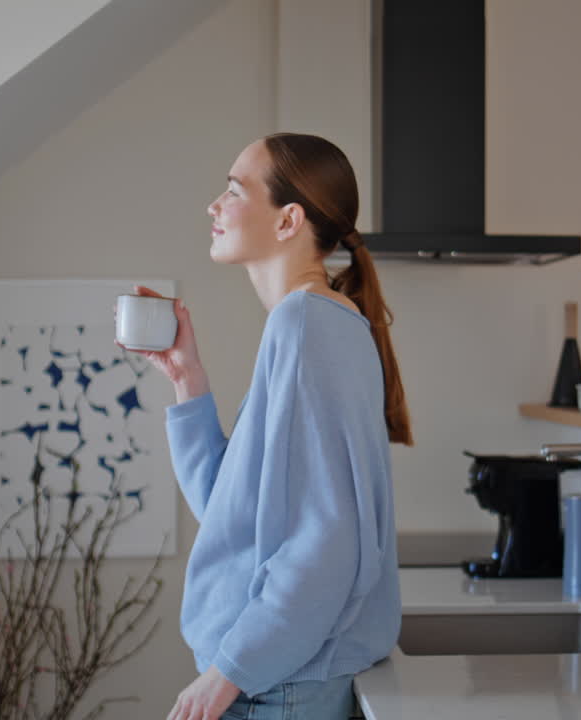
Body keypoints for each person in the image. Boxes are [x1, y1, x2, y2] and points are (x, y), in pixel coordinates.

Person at [121, 133, 413, 720]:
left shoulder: (307, 325)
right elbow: (236, 515)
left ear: (288, 221)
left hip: (275, 683)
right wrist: (187, 378)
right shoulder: (309, 324)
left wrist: (228, 673)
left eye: (233, 190)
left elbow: (326, 544)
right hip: (276, 676)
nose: (214, 205)